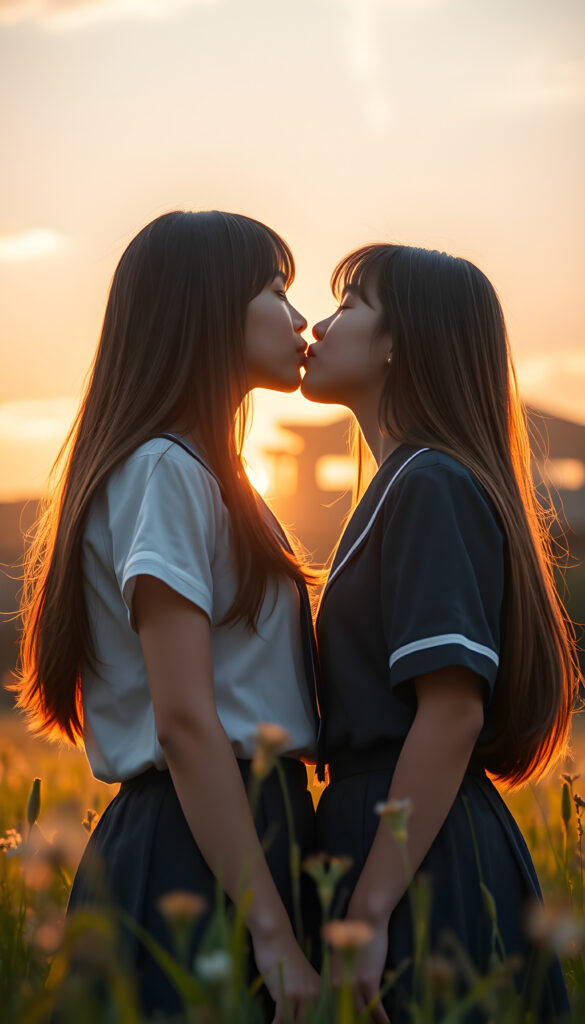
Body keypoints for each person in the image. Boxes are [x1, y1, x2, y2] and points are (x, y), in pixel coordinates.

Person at [17, 210, 322, 1020]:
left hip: (226, 835)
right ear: (208, 306)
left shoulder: (204, 474)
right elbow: (185, 720)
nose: (299, 320)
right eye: (274, 289)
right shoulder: (166, 472)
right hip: (196, 852)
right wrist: (271, 932)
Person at [301, 243, 578, 1022]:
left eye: (349, 303)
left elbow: (451, 710)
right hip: (396, 837)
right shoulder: (403, 485)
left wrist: (370, 909)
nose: (320, 325)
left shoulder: (429, 482)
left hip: (415, 852)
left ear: (399, 340)